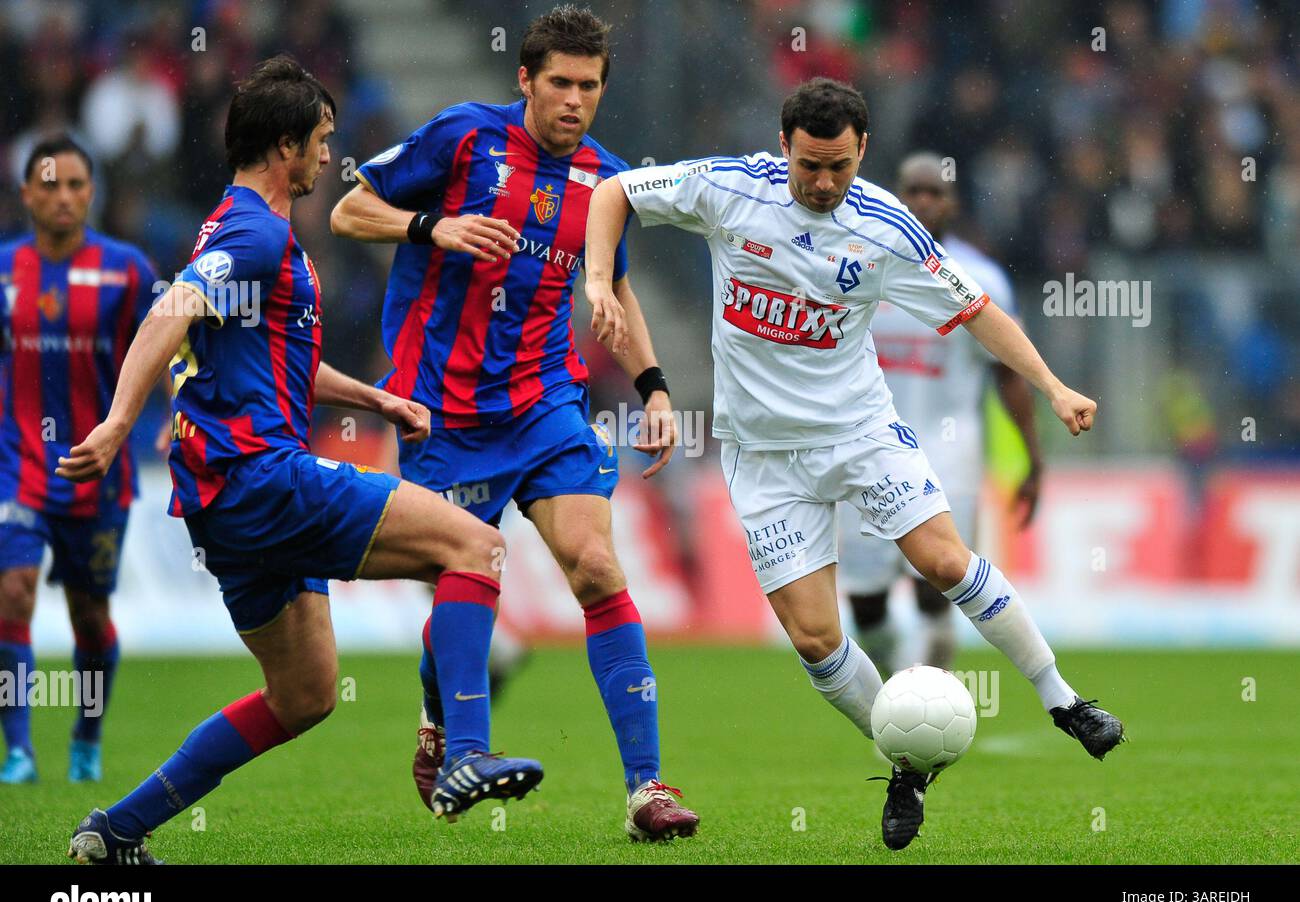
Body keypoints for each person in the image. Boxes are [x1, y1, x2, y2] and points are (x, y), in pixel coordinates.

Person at [583, 77, 1125, 851]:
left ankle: (1064, 699)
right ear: (784, 146)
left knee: (944, 559)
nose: (824, 182)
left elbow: (978, 313)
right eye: (810, 166)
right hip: (763, 455)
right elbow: (614, 193)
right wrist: (599, 278)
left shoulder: (886, 229)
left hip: (861, 433)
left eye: (839, 166)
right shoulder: (729, 189)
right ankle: (904, 767)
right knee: (814, 640)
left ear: (862, 150)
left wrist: (1053, 386)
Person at [59, 55, 542, 865]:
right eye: (320, 139)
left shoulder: (233, 229)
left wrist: (374, 399)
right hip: (263, 478)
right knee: (476, 546)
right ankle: (463, 751)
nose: (330, 154)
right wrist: (116, 424)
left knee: (306, 693)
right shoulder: (257, 231)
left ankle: (116, 830)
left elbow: (273, 359)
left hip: (221, 506)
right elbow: (172, 309)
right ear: (286, 146)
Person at [330, 4, 698, 842]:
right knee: (472, 566)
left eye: (590, 86)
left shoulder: (608, 180)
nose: (575, 100)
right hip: (443, 409)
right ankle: (454, 737)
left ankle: (647, 791)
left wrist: (655, 387)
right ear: (524, 79)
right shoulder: (462, 139)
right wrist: (431, 225)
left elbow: (617, 285)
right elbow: (351, 211)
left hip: (545, 404)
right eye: (560, 83)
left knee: (598, 566)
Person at [838, 151, 1044, 674]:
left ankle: (931, 696)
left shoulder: (981, 279)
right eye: (914, 191)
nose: (924, 201)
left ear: (953, 203)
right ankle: (895, 692)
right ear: (897, 196)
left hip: (949, 447)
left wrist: (1033, 458)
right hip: (865, 448)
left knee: (939, 584)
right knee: (866, 602)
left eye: (936, 192)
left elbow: (1007, 374)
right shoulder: (856, 263)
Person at [0, 136, 158, 785]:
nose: (63, 196)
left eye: (75, 184)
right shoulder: (5, 271)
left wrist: (176, 416)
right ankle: (18, 749)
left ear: (90, 192)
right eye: (50, 184)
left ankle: (86, 735)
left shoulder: (128, 271)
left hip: (99, 469)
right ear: (27, 193)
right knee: (13, 591)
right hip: (18, 466)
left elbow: (169, 349)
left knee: (89, 618)